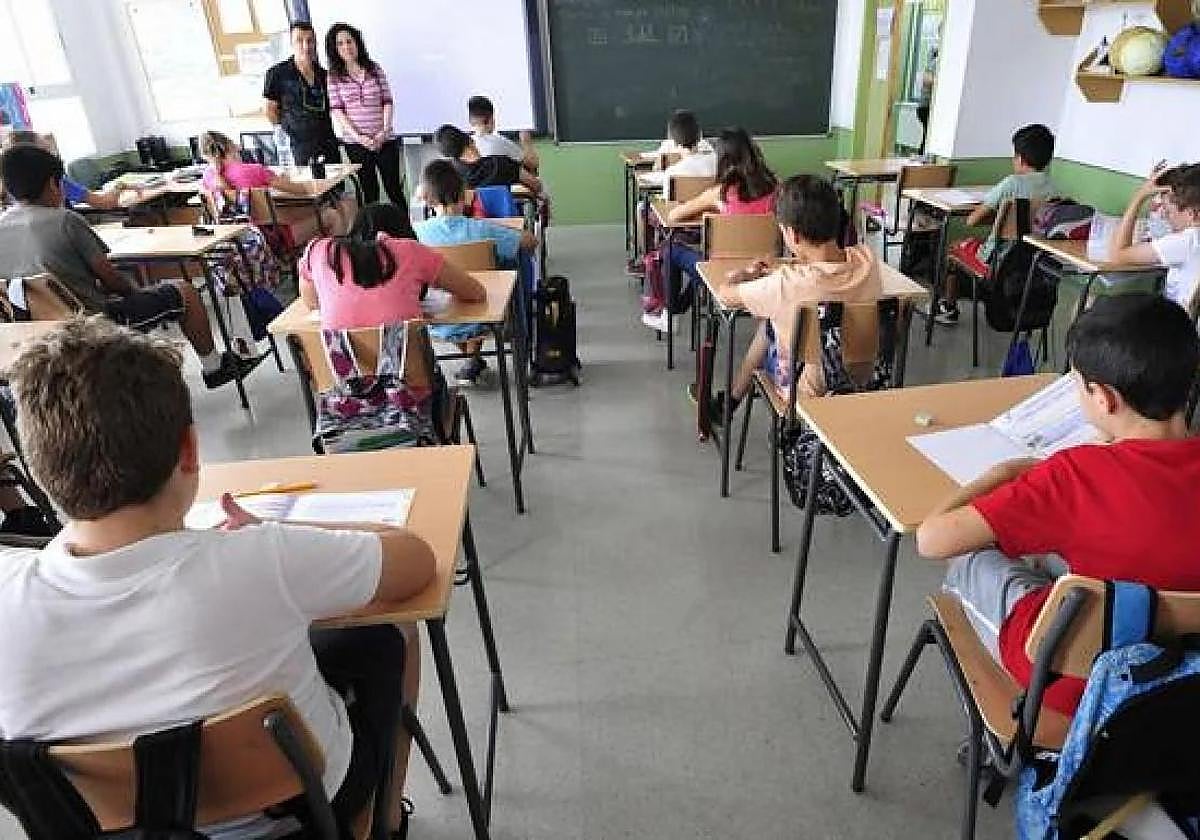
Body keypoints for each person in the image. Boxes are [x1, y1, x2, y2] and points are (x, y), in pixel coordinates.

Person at [0, 317, 436, 833]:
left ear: (35, 462)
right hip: (297, 818)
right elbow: (414, 560)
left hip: (105, 827)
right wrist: (276, 528)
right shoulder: (261, 557)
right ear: (190, 450)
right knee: (390, 636)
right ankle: (381, 821)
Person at [917, 293, 1200, 716]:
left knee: (970, 556)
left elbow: (931, 540)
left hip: (1077, 689)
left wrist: (1003, 474)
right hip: (1183, 684)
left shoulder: (1075, 475)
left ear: (1104, 399)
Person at [0, 145, 250, 389]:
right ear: (54, 184)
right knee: (184, 291)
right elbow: (112, 279)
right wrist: (135, 293)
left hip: (34, 334)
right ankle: (214, 367)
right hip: (91, 326)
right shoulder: (66, 221)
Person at [704, 174, 882, 421]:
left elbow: (725, 294)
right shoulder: (868, 262)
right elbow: (828, 272)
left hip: (802, 398)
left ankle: (732, 399)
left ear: (792, 235)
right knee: (774, 324)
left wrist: (746, 274)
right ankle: (732, 399)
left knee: (771, 323)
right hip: (862, 387)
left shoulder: (784, 286)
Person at [414, 160, 537, 386]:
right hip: (485, 314)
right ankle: (473, 358)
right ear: (465, 193)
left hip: (433, 318)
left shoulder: (415, 234)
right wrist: (508, 230)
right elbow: (530, 242)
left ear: (426, 198)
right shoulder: (482, 229)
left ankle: (471, 359)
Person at [645, 127, 778, 332]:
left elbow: (673, 216)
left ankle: (670, 312)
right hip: (765, 270)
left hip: (724, 274)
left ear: (723, 159)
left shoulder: (721, 193)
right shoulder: (776, 188)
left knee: (670, 249)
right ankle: (688, 297)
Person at [299, 202, 486, 331]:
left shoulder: (319, 250)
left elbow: (312, 303)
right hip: (408, 384)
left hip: (346, 383)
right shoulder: (409, 251)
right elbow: (475, 292)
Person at [940, 123, 1060, 325]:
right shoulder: (1055, 188)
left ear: (1020, 159)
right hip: (1032, 262)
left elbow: (972, 220)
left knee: (954, 248)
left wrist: (992, 213)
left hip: (998, 259)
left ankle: (949, 308)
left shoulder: (1011, 183)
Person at [199, 129, 349, 241]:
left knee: (301, 212)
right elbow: (302, 190)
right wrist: (283, 179)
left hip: (234, 241)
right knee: (331, 215)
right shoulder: (254, 170)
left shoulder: (207, 176)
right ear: (230, 146)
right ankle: (333, 267)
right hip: (271, 240)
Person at [326, 23, 408, 213]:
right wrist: (359, 137)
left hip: (384, 139)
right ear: (334, 49)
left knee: (394, 189)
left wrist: (384, 131)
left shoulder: (374, 68)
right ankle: (371, 237)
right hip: (356, 144)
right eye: (340, 43)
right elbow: (338, 110)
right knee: (369, 191)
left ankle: (405, 233)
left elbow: (387, 101)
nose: (346, 46)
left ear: (357, 43)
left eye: (349, 41)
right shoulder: (334, 76)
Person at [1108, 162, 1200, 311]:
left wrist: (1139, 197)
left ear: (1193, 214)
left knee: (1101, 305)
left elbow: (1118, 255)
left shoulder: (1188, 241)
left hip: (1180, 328)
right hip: (1181, 322)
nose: (1164, 216)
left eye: (1168, 211)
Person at [1, 131, 149, 211]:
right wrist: (121, 186)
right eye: (47, 150)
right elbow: (104, 203)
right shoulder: (54, 180)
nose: (52, 154)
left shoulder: (8, 188)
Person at [264, 21, 339, 168]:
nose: (306, 46)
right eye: (299, 40)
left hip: (327, 143)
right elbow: (270, 110)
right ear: (291, 43)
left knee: (335, 187)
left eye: (310, 41)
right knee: (307, 189)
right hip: (298, 147)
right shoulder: (277, 73)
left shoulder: (324, 75)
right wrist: (287, 128)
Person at [433, 124, 542, 195]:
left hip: (470, 226)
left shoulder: (448, 174)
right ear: (469, 139)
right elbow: (536, 185)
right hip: (508, 226)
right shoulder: (501, 164)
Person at [468, 94, 539, 174]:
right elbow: (532, 164)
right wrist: (526, 142)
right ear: (491, 119)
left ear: (470, 121)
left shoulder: (464, 147)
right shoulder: (502, 143)